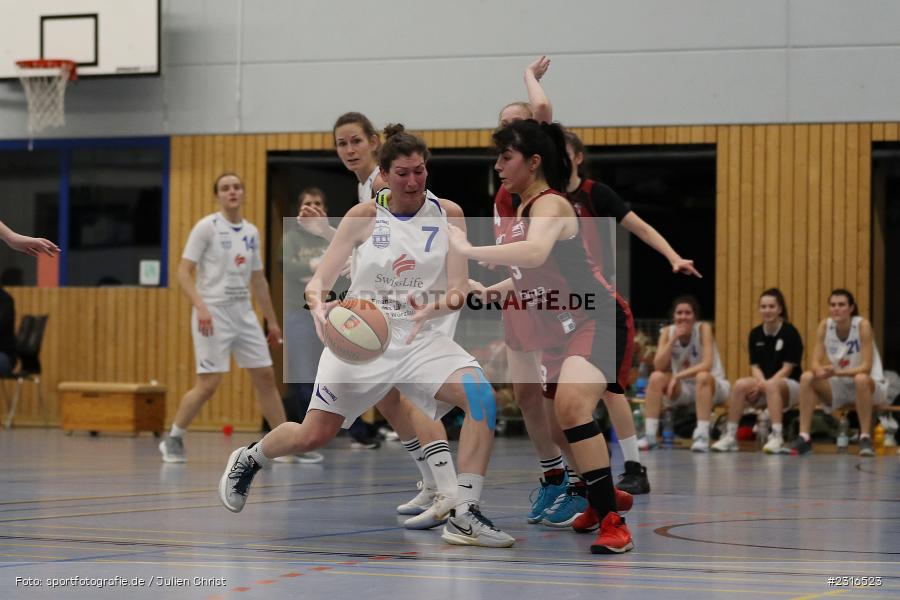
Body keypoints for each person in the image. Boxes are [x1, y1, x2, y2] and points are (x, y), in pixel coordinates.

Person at [220, 126, 515, 548]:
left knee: (482, 398)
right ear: (384, 174)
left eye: (419, 171)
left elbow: (457, 286)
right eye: (402, 174)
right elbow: (320, 280)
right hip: (363, 335)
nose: (413, 182)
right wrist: (320, 307)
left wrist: (440, 304)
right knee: (313, 434)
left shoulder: (449, 214)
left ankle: (465, 512)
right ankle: (250, 458)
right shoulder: (363, 217)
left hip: (419, 336)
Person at [450, 119, 635, 554]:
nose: (498, 165)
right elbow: (529, 272)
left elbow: (533, 253)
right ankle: (599, 496)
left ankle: (614, 522)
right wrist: (489, 291)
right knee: (556, 425)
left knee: (571, 407)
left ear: (533, 162)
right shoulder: (522, 211)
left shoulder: (550, 205)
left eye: (506, 157)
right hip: (562, 330)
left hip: (597, 319)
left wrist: (469, 250)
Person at [296, 111, 461, 530]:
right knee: (388, 399)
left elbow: (401, 241)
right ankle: (430, 481)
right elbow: (365, 247)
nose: (349, 150)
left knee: (413, 395)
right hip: (384, 305)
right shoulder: (366, 190)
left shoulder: (384, 182)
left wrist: (324, 234)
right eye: (341, 144)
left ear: (373, 144)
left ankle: (449, 490)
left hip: (417, 303)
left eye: (355, 142)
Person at [160, 173, 321, 464]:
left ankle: (284, 445)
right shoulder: (206, 227)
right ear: (218, 195)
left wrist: (271, 321)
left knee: (266, 377)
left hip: (243, 313)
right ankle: (174, 437)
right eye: (225, 188)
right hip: (213, 312)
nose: (232, 192)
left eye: (236, 187)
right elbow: (183, 273)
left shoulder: (251, 232)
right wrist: (201, 307)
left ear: (243, 193)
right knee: (208, 383)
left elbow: (258, 280)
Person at [281, 187, 377, 451]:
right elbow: (289, 268)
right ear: (299, 209)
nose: (313, 207)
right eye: (307, 203)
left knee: (346, 373)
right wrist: (319, 269)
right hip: (299, 313)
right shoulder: (291, 238)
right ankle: (306, 436)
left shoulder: (335, 233)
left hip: (337, 311)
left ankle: (357, 431)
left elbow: (350, 267)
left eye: (318, 203)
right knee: (303, 375)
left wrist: (320, 271)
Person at [790, 289, 888, 457]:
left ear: (851, 308)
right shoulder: (825, 325)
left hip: (871, 385)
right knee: (807, 377)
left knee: (860, 379)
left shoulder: (862, 325)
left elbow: (866, 367)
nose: (836, 308)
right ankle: (804, 437)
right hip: (841, 385)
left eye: (841, 305)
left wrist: (836, 372)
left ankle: (864, 437)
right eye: (833, 305)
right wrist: (820, 371)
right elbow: (815, 362)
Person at [712, 288, 803, 454]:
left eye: (771, 307)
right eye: (763, 307)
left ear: (780, 309)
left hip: (791, 386)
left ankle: (777, 436)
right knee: (740, 385)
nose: (767, 310)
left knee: (772, 387)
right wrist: (762, 384)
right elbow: (755, 367)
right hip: (766, 385)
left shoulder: (790, 333)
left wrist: (765, 386)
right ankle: (730, 436)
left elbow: (787, 369)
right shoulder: (755, 334)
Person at [640, 296, 730, 453]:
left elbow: (707, 364)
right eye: (679, 313)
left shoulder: (703, 328)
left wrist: (676, 376)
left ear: (694, 317)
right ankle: (650, 436)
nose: (683, 316)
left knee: (702, 376)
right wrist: (673, 339)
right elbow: (658, 365)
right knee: (656, 377)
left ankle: (702, 436)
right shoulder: (668, 332)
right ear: (673, 316)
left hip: (713, 385)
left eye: (687, 313)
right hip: (685, 389)